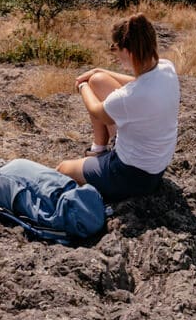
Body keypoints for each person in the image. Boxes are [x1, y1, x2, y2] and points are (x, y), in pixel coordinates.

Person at [56, 13, 179, 202]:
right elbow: (137, 82)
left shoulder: (129, 98)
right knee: (99, 80)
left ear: (128, 52)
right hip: (155, 167)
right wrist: (98, 71)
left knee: (63, 168)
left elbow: (97, 110)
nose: (115, 54)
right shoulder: (166, 68)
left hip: (130, 175)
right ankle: (99, 150)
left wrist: (83, 86)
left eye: (115, 48)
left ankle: (99, 166)